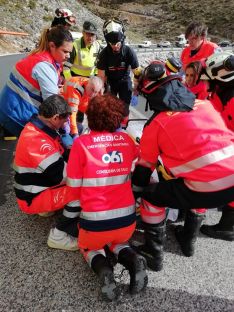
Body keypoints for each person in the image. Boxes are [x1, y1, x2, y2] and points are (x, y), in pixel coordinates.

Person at [131, 61, 234, 271]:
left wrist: (134, 192)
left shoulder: (156, 124)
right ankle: (188, 242)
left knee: (152, 197)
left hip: (206, 187)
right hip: (231, 184)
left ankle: (154, 254)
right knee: (195, 181)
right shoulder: (205, 104)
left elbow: (144, 169)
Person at [66, 94, 148, 301]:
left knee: (89, 247)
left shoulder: (81, 145)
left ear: (90, 118)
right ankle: (134, 259)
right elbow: (137, 159)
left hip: (94, 223)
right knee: (117, 242)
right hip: (126, 220)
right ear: (117, 118)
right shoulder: (126, 141)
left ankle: (103, 269)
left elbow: (74, 187)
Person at [13, 95, 81, 251]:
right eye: (65, 120)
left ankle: (46, 208)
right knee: (80, 190)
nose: (66, 123)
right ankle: (58, 236)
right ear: (56, 118)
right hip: (31, 197)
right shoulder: (38, 141)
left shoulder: (36, 127)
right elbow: (65, 176)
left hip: (31, 189)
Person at [0, 26, 73, 137]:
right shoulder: (44, 66)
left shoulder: (42, 58)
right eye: (65, 51)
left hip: (11, 108)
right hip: (16, 113)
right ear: (52, 46)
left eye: (70, 52)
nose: (68, 56)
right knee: (47, 142)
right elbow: (53, 105)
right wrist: (66, 126)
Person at [199, 52, 234, 241]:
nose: (206, 83)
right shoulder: (222, 92)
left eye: (209, 79)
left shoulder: (232, 100)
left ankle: (227, 228)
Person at [96, 19, 142, 128]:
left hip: (125, 81)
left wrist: (136, 90)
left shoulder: (129, 52)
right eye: (112, 44)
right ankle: (111, 125)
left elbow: (137, 72)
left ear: (122, 39)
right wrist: (100, 93)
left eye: (117, 43)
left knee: (124, 107)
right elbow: (101, 76)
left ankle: (124, 126)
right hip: (111, 81)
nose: (115, 46)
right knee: (110, 107)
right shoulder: (103, 54)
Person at [62, 76, 104, 141]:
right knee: (73, 129)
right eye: (92, 90)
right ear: (88, 84)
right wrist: (75, 133)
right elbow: (72, 113)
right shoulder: (76, 88)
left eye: (95, 92)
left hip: (81, 101)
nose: (93, 94)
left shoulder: (94, 86)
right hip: (64, 105)